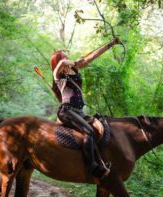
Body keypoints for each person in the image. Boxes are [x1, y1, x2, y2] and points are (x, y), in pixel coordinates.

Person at [50, 38, 120, 178]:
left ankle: (101, 162)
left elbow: (93, 56)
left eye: (67, 56)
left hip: (80, 112)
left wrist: (110, 44)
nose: (67, 58)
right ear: (58, 59)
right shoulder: (57, 74)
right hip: (67, 111)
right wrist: (75, 62)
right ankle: (92, 167)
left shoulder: (74, 69)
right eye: (64, 56)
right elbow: (62, 63)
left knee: (98, 128)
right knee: (88, 131)